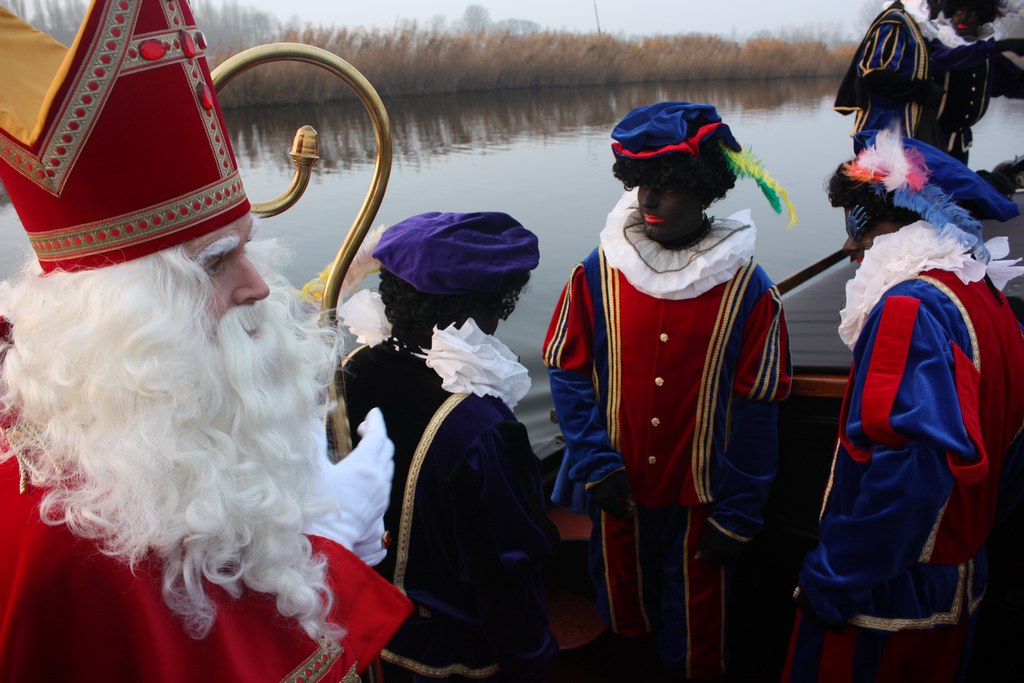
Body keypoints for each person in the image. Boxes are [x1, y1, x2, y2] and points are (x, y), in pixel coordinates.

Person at [0, 2, 410, 680]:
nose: (257, 285)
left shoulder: (119, 412)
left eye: (247, 248)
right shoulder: (68, 554)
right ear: (122, 318)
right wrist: (329, 544)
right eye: (217, 262)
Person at [542, 102, 794, 680]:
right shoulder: (598, 270)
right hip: (617, 491)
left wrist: (739, 513)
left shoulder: (749, 288)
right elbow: (569, 371)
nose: (649, 200)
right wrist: (595, 463)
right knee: (622, 615)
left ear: (704, 190)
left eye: (669, 186)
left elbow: (757, 410)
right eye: (641, 184)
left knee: (698, 635)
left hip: (703, 499)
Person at [782, 127, 1024, 683]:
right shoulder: (984, 295)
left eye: (861, 226)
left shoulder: (911, 308)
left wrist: (832, 580)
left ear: (911, 218)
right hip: (957, 579)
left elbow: (911, 474)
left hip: (886, 603)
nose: (850, 247)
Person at [340, 212, 560, 682]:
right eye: (495, 304)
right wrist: (533, 660)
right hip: (450, 655)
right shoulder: (480, 427)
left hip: (363, 630)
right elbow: (506, 570)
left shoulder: (352, 367)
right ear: (472, 309)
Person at [923, 0, 1024, 163]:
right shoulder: (936, 43)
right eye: (959, 11)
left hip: (960, 145)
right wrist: (998, 46)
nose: (963, 18)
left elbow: (1012, 83)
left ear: (982, 18)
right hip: (928, 141)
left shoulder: (986, 53)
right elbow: (938, 62)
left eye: (972, 13)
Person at [835, 1, 948, 142]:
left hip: (907, 132)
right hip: (884, 132)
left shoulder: (914, 26)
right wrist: (923, 90)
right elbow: (872, 74)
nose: (942, 7)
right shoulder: (895, 24)